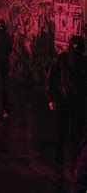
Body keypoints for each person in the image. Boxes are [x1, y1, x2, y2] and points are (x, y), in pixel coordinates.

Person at [46, 35, 87, 179]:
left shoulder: (82, 62)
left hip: (77, 103)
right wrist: (51, 98)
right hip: (63, 101)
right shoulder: (61, 60)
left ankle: (71, 159)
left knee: (75, 133)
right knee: (61, 132)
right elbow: (51, 80)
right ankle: (60, 159)